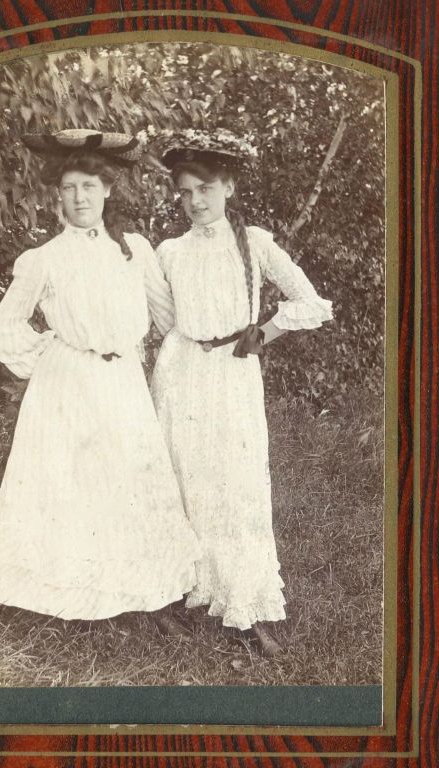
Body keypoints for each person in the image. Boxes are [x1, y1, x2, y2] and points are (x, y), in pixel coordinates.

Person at [0, 129, 200, 629]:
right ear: (59, 194)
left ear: (108, 190)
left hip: (123, 382)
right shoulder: (43, 259)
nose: (79, 198)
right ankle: (67, 593)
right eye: (70, 188)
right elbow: (5, 326)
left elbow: (168, 317)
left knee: (134, 478)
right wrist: (47, 353)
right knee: (70, 484)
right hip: (67, 384)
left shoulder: (134, 249)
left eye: (89, 187)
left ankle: (149, 596)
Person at [150, 129, 333, 655]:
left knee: (237, 486)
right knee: (184, 477)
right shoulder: (169, 251)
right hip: (182, 372)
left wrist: (263, 333)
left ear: (229, 186)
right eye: (184, 192)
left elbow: (311, 302)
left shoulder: (255, 243)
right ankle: (178, 591)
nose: (195, 201)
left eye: (205, 187)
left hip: (233, 374)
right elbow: (165, 321)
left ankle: (245, 610)